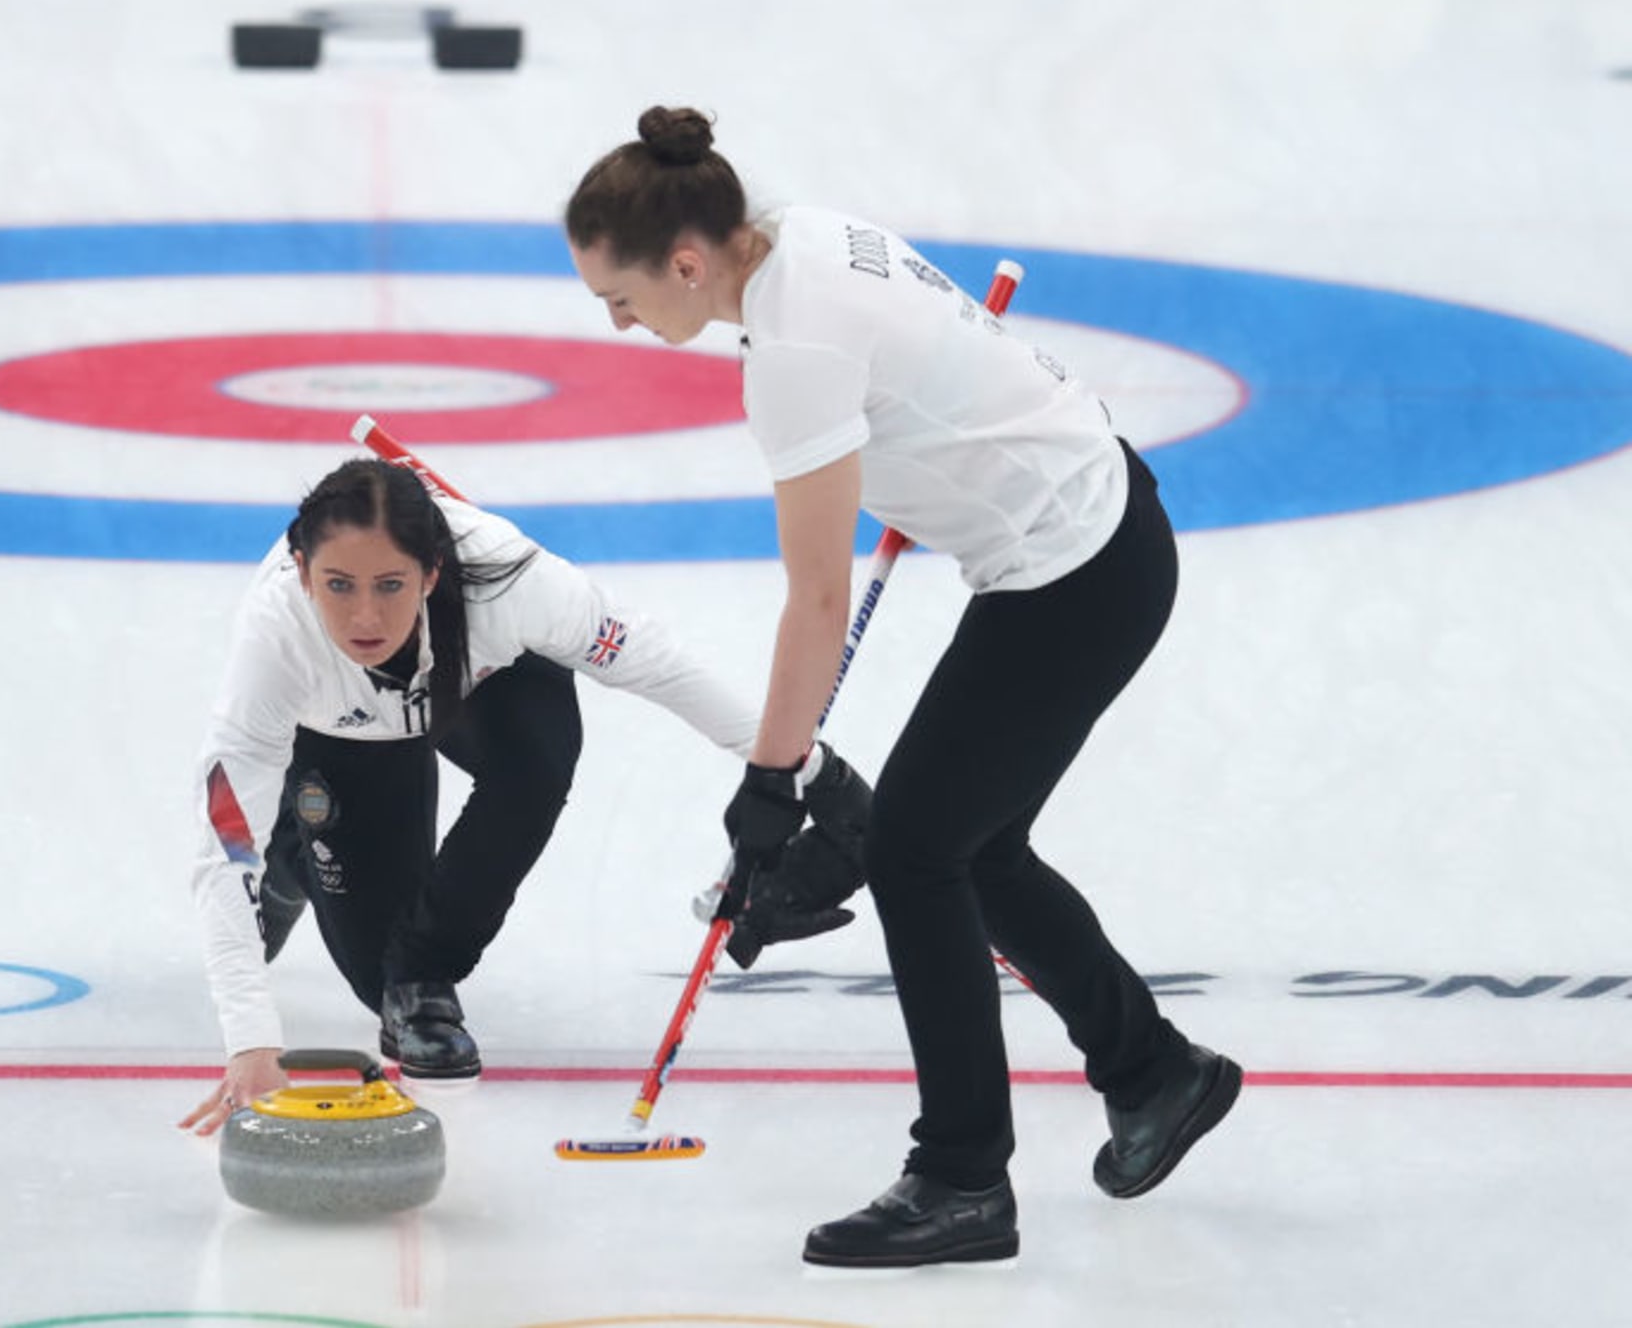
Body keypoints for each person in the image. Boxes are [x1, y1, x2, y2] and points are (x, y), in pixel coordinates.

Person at [562, 107, 1241, 1268]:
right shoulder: (797, 236)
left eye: (619, 297)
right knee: (970, 845)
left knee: (915, 849)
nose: (620, 321)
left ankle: (963, 1177)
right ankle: (1154, 1072)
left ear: (686, 261)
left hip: (1073, 571)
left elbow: (815, 602)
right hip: (1095, 531)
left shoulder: (792, 354)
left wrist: (769, 788)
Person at [178, 458, 869, 1133]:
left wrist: (813, 771)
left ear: (432, 571)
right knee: (367, 973)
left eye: (391, 584)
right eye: (338, 585)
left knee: (536, 760)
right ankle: (298, 863)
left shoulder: (515, 584)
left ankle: (424, 977)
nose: (365, 615)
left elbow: (658, 666)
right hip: (343, 729)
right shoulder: (276, 634)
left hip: (479, 682)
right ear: (302, 573)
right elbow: (225, 843)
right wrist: (251, 1043)